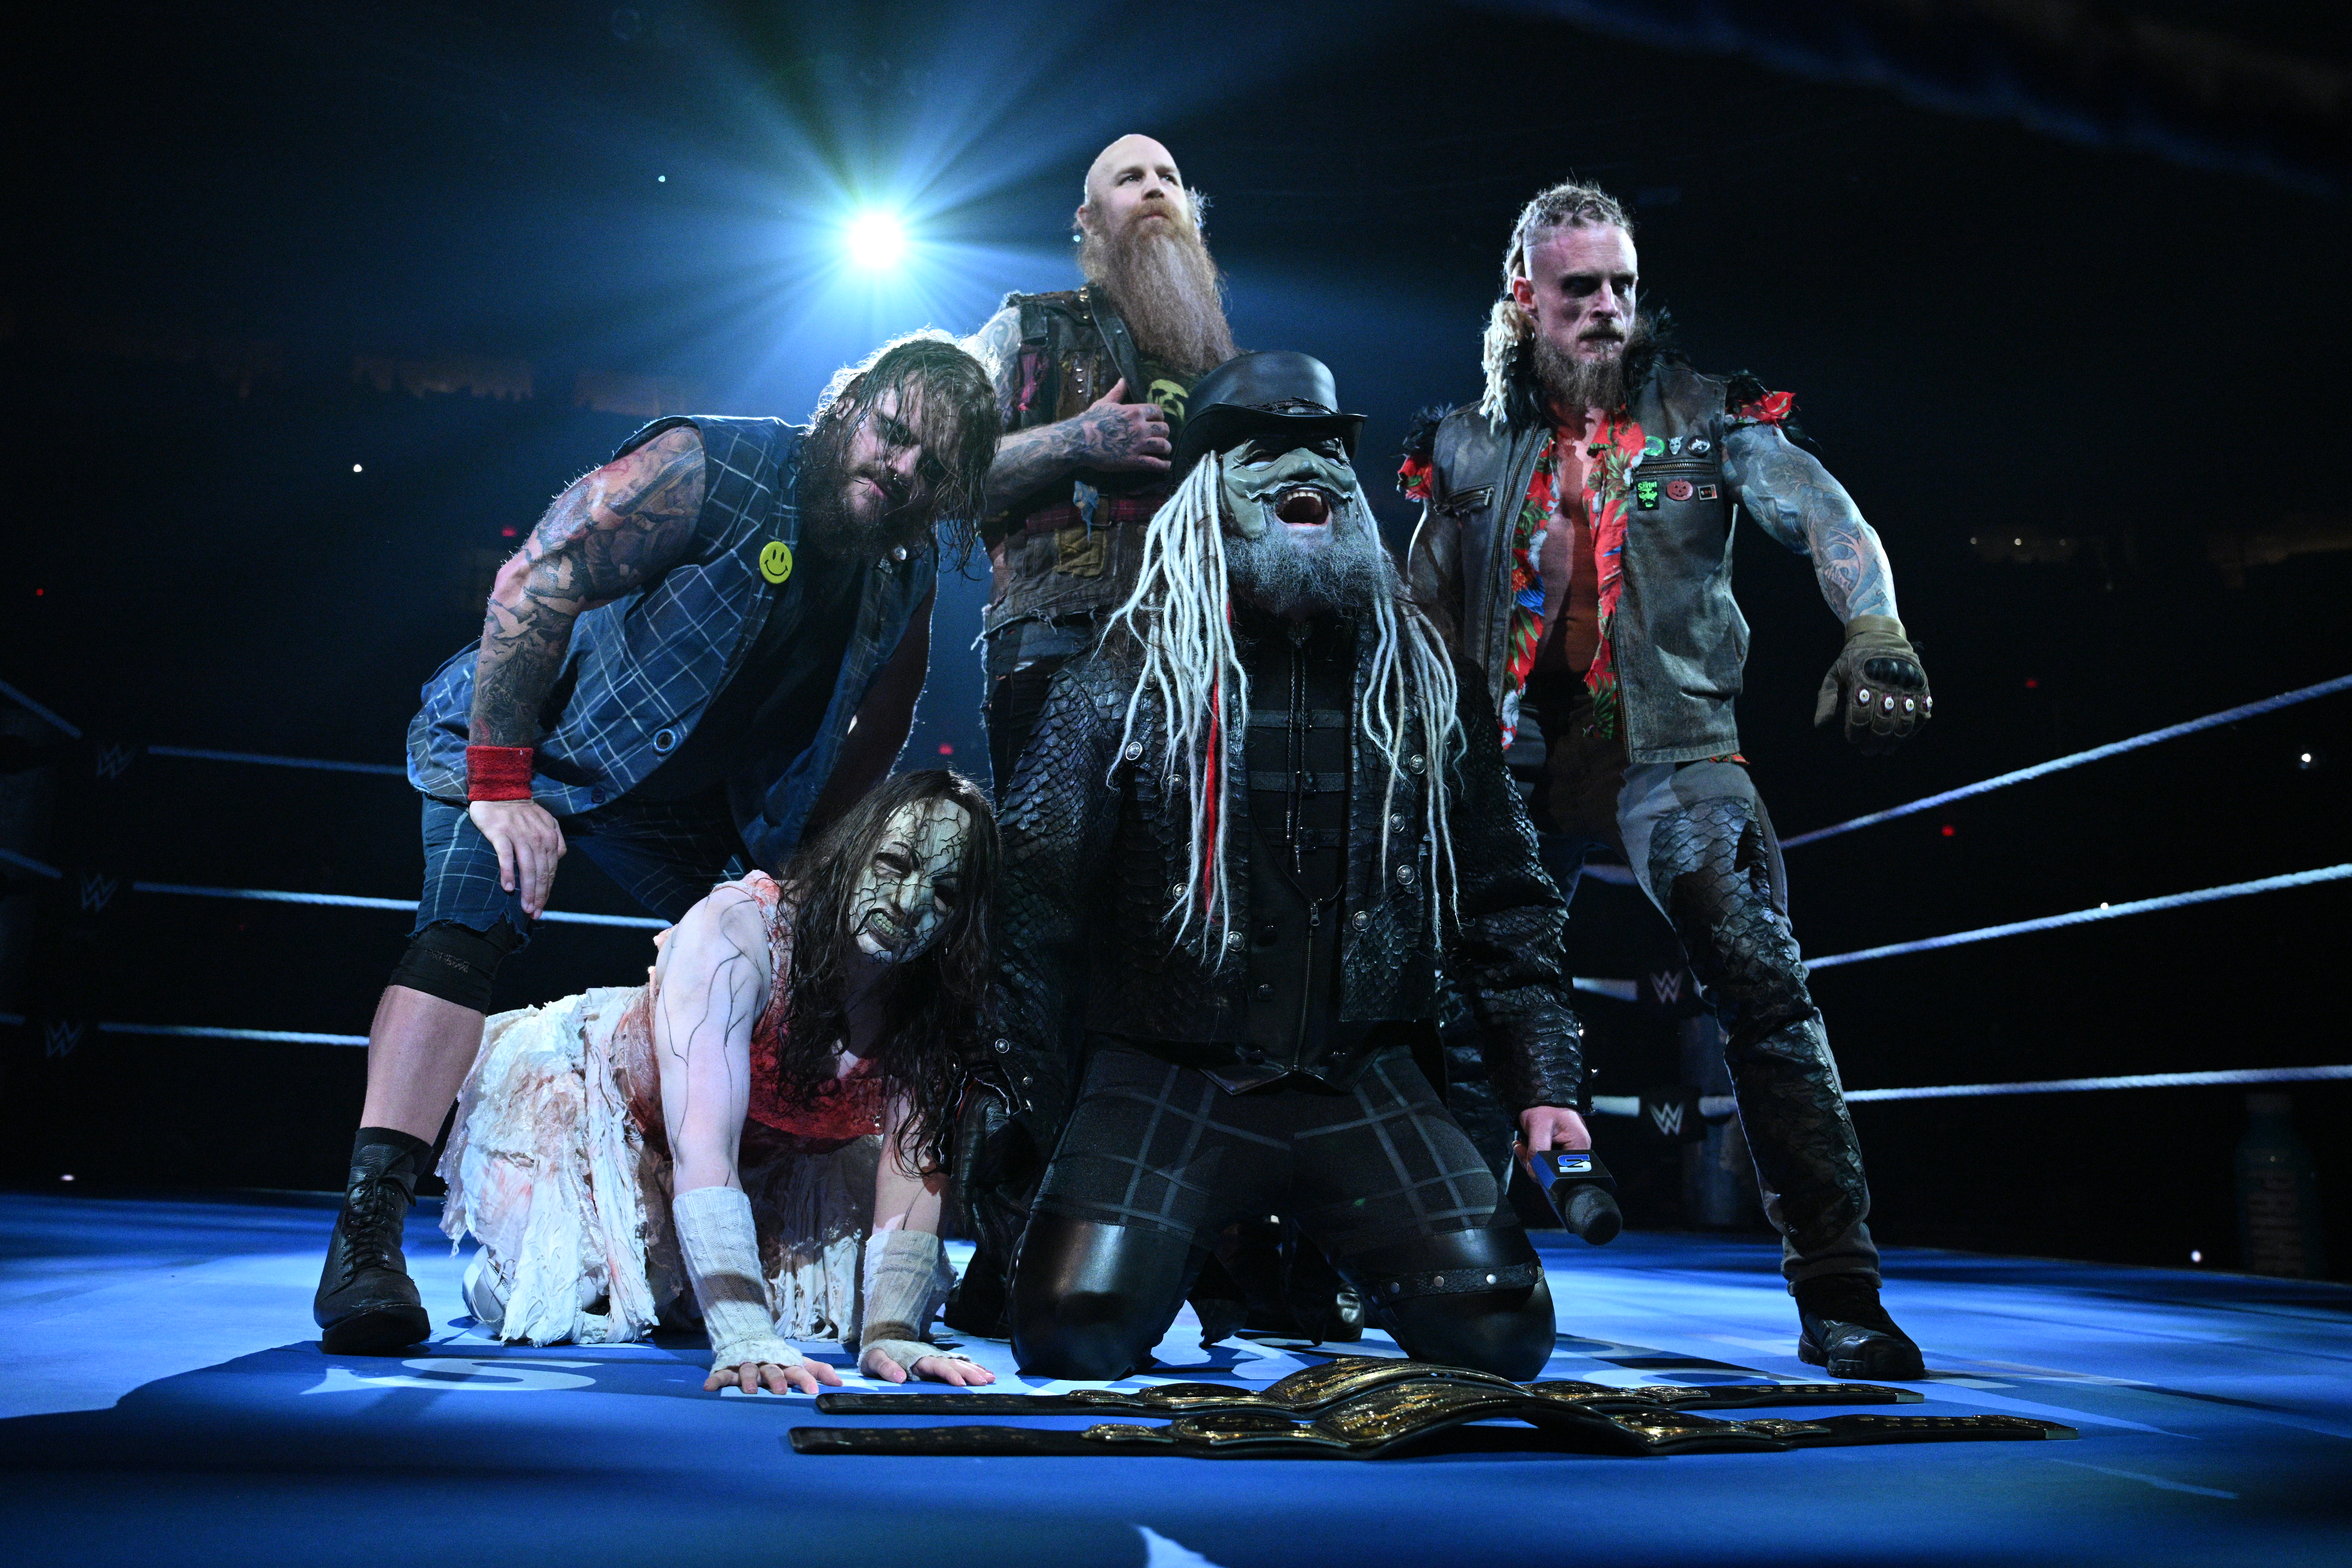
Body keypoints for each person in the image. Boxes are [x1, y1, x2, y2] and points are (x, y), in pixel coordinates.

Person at [314, 334, 1001, 1356]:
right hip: (528, 742)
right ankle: (367, 1241)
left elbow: (889, 709)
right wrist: (503, 785)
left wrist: (820, 858)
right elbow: (534, 582)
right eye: (893, 434)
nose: (900, 469)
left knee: (778, 968)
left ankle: (726, 1240)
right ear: (849, 408)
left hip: (678, 801)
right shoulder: (707, 467)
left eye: (931, 467)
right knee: (465, 931)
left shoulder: (905, 569)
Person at [1403, 179, 1932, 1379]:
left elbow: (1824, 513)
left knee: (1754, 963)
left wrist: (1877, 630)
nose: (1606, 310)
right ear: (1523, 295)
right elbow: (1414, 613)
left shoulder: (1706, 414)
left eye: (1623, 287)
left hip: (1675, 745)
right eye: (1579, 287)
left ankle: (1841, 1289)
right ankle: (1463, 1269)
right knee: (1461, 997)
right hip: (1514, 761)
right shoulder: (1465, 448)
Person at [985, 352, 1587, 1383]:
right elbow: (1030, 920)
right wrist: (1022, 1124)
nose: (1301, 465)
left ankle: (1298, 1263)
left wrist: (1547, 1084)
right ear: (1210, 488)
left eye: (1323, 446)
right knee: (1070, 1330)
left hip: (1361, 1072)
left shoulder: (1430, 685)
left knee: (1502, 1333)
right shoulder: (1117, 682)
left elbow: (1509, 902)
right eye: (1265, 448)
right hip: (1171, 1075)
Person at [439, 771, 999, 1392]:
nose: (910, 902)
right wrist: (742, 1335)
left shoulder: (939, 995)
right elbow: (701, 1144)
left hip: (778, 1163)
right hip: (618, 1123)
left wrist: (895, 1331)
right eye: (895, 864)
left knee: (842, 1318)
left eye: (945, 892)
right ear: (850, 852)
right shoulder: (739, 930)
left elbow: (913, 1163)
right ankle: (513, 1262)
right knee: (573, 1302)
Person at [962, 132, 1240, 795]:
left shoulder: (1225, 367)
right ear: (1089, 221)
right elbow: (944, 468)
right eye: (1130, 178)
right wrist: (1078, 440)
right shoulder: (1027, 328)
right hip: (1055, 644)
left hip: (1194, 655)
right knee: (1045, 875)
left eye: (1168, 178)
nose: (1154, 188)